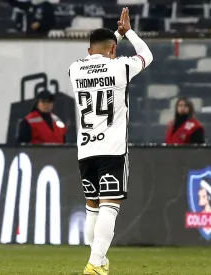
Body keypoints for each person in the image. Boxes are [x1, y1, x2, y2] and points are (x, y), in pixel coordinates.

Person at [68, 8, 153, 275]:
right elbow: (146, 56)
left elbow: (96, 53)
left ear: (88, 48)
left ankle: (100, 262)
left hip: (85, 149)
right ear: (114, 49)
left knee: (92, 206)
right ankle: (95, 263)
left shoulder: (75, 69)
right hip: (112, 149)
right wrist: (129, 32)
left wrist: (115, 36)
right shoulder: (119, 67)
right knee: (110, 206)